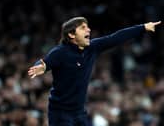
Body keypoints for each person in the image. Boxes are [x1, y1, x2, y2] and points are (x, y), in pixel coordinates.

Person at [28, 16, 161, 126]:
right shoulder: (60, 52)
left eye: (88, 26)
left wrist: (143, 27)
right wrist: (41, 67)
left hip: (79, 112)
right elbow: (45, 62)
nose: (89, 30)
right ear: (71, 34)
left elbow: (116, 37)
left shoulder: (92, 47)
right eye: (83, 28)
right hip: (60, 113)